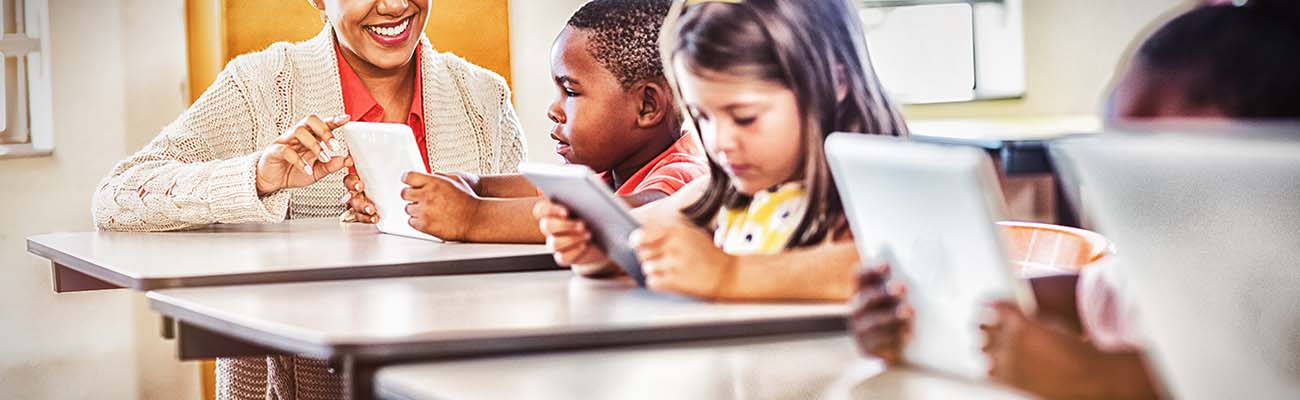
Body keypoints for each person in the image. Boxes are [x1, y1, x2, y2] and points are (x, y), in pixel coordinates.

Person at [852, 0, 1300, 398]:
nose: (1129, 192)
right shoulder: (1158, 270)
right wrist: (921, 309)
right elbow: (1078, 295)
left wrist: (1102, 379)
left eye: (1157, 161)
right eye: (1112, 150)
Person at [91, 0, 526, 398]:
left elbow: (528, 258)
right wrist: (256, 178)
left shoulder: (484, 99)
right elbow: (116, 198)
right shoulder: (261, 87)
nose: (395, 5)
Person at [535, 0, 909, 300]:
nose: (719, 141)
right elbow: (638, 232)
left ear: (836, 81)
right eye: (702, 116)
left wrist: (730, 274)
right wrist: (604, 251)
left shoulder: (868, 198)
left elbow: (880, 267)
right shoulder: (725, 192)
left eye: (744, 117)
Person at [345, 0, 709, 243]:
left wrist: (473, 216)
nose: (554, 109)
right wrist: (462, 185)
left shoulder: (684, 174)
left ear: (647, 106)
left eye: (571, 92)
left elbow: (624, 218)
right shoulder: (609, 169)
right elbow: (519, 189)